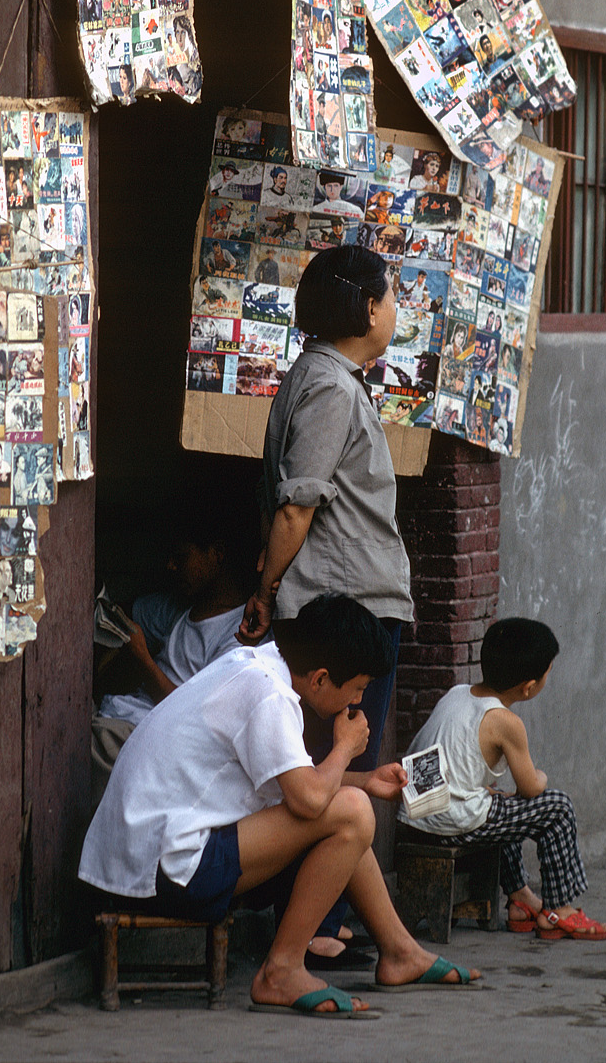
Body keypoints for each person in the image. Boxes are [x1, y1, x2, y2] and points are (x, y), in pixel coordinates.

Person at [80, 594, 478, 1015]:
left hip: (148, 857)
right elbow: (308, 799)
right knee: (351, 813)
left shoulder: (259, 667)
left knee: (348, 803)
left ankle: (400, 952)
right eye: (357, 689)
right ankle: (281, 969)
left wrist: (364, 778)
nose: (356, 703)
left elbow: (294, 782)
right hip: (164, 868)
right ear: (321, 678)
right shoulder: (268, 693)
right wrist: (344, 750)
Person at [238, 243, 414, 962]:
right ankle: (319, 933)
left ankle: (329, 925)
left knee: (338, 765)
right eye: (393, 295)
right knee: (333, 768)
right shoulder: (331, 387)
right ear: (368, 309)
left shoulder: (331, 379)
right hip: (343, 610)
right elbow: (296, 507)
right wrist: (265, 589)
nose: (396, 309)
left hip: (351, 603)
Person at [400, 617, 606, 941]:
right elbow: (530, 788)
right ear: (528, 687)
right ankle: (558, 909)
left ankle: (520, 899)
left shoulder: (457, 694)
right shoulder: (505, 720)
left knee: (500, 802)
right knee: (556, 807)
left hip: (418, 814)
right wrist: (541, 776)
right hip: (452, 823)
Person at [91, 502, 258, 802]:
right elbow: (128, 613)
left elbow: (198, 717)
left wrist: (143, 659)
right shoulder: (182, 608)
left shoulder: (238, 635)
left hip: (151, 737)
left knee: (75, 750)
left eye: (181, 557)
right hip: (120, 715)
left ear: (217, 555)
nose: (171, 566)